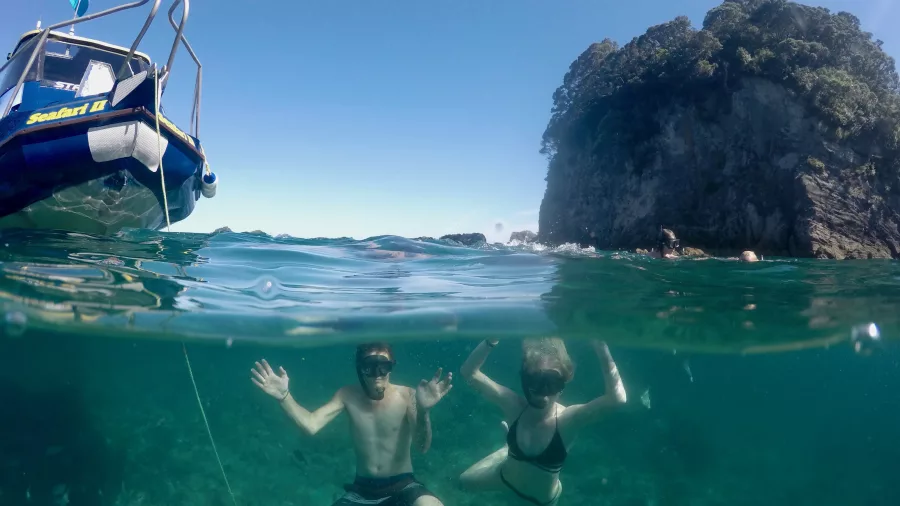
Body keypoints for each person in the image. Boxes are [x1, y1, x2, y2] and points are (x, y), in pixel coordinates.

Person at [251, 342, 452, 506]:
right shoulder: (347, 395)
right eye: (370, 367)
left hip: (404, 485)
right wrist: (284, 397)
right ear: (360, 369)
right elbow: (311, 425)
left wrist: (424, 411)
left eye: (384, 366)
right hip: (362, 491)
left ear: (391, 366)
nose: (378, 373)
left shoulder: (407, 396)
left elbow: (422, 447)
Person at [458, 338, 626, 505]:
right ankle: (507, 449)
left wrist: (601, 346)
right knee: (463, 482)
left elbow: (617, 399)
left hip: (541, 502)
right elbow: (469, 372)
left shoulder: (567, 419)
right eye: (536, 382)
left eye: (552, 383)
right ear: (525, 379)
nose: (544, 393)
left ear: (564, 382)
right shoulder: (514, 406)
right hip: (503, 477)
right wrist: (490, 341)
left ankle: (508, 447)